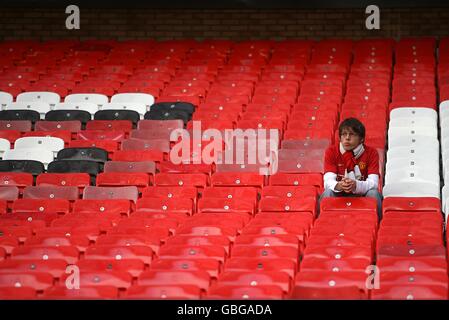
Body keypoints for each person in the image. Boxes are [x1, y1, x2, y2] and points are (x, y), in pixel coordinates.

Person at [320, 117, 382, 218]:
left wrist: (355, 185)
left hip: (361, 193)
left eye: (352, 134)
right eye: (344, 134)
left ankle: (376, 224)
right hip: (339, 193)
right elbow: (328, 181)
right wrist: (339, 186)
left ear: (361, 138)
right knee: (328, 193)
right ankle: (325, 224)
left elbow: (374, 183)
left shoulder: (371, 153)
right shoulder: (331, 151)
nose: (347, 138)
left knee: (373, 194)